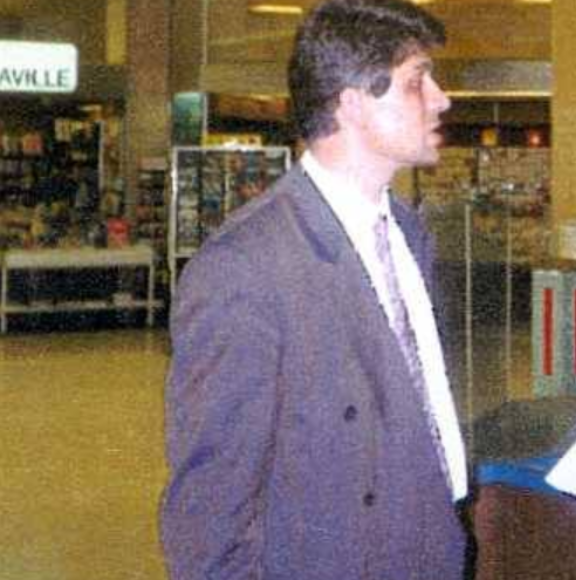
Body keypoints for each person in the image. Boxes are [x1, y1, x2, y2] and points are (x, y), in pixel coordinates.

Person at [160, 1, 469, 579]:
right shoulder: (245, 266)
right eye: (416, 81)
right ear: (352, 103)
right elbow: (210, 506)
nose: (441, 98)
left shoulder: (408, 234)